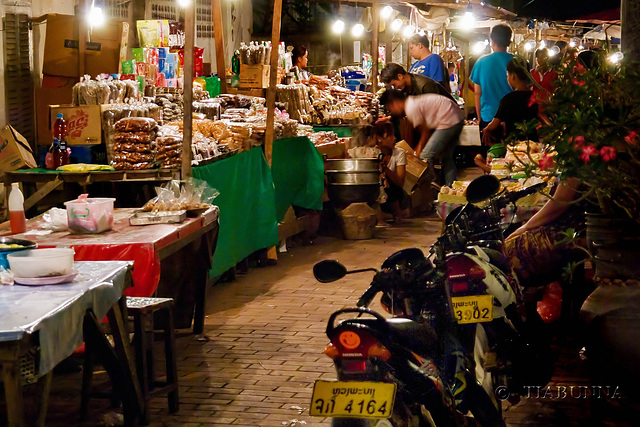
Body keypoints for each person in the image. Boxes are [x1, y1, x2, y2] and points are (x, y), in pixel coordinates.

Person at [381, 89, 464, 186]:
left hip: (449, 121)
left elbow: (425, 131)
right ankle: (450, 188)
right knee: (446, 157)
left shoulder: (410, 108)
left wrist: (419, 149)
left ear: (395, 103)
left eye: (390, 108)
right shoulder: (411, 102)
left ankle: (430, 188)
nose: (392, 111)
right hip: (456, 118)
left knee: (426, 156)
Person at [469, 24, 514, 140]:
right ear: (509, 41)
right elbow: (527, 90)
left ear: (492, 41)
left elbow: (477, 93)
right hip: (513, 119)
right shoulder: (518, 62)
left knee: (490, 155)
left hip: (488, 118)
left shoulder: (481, 62)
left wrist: (479, 119)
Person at [375, 121, 407, 221]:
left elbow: (400, 182)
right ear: (379, 139)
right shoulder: (372, 152)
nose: (394, 138)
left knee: (386, 177)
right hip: (376, 194)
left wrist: (385, 168)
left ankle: (396, 211)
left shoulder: (399, 153)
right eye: (390, 135)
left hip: (393, 194)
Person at [380, 63, 454, 100]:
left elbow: (435, 109)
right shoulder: (406, 88)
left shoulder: (424, 85)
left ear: (400, 76)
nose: (395, 87)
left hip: (450, 118)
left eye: (394, 84)